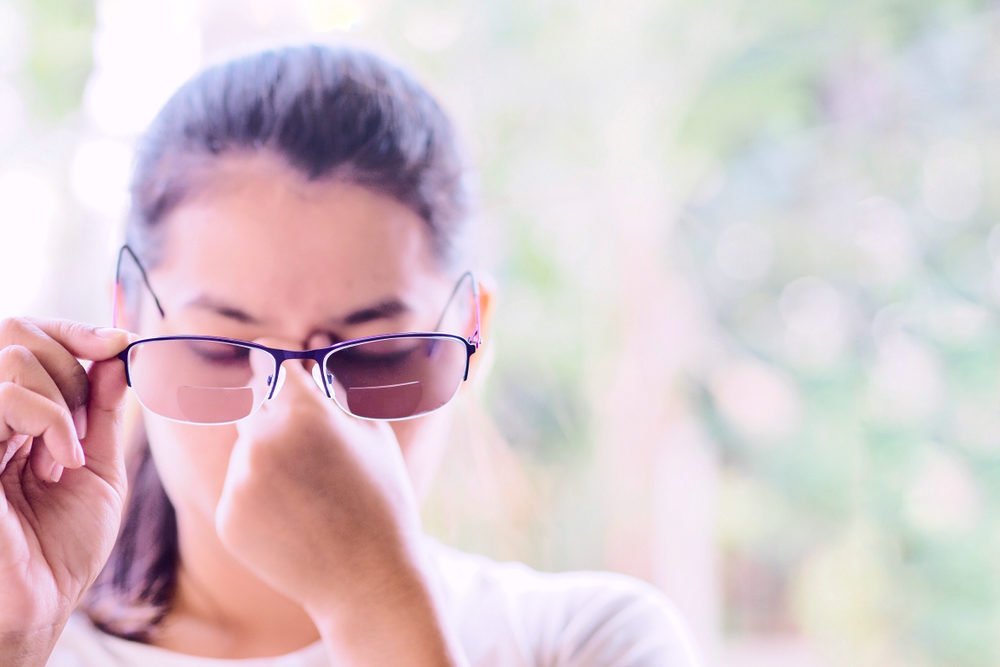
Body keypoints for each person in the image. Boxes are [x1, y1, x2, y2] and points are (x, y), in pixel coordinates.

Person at [0, 44, 699, 666]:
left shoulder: (587, 639)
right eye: (221, 348)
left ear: (472, 332)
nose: (292, 417)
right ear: (126, 322)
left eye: (372, 355)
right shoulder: (31, 633)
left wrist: (374, 600)